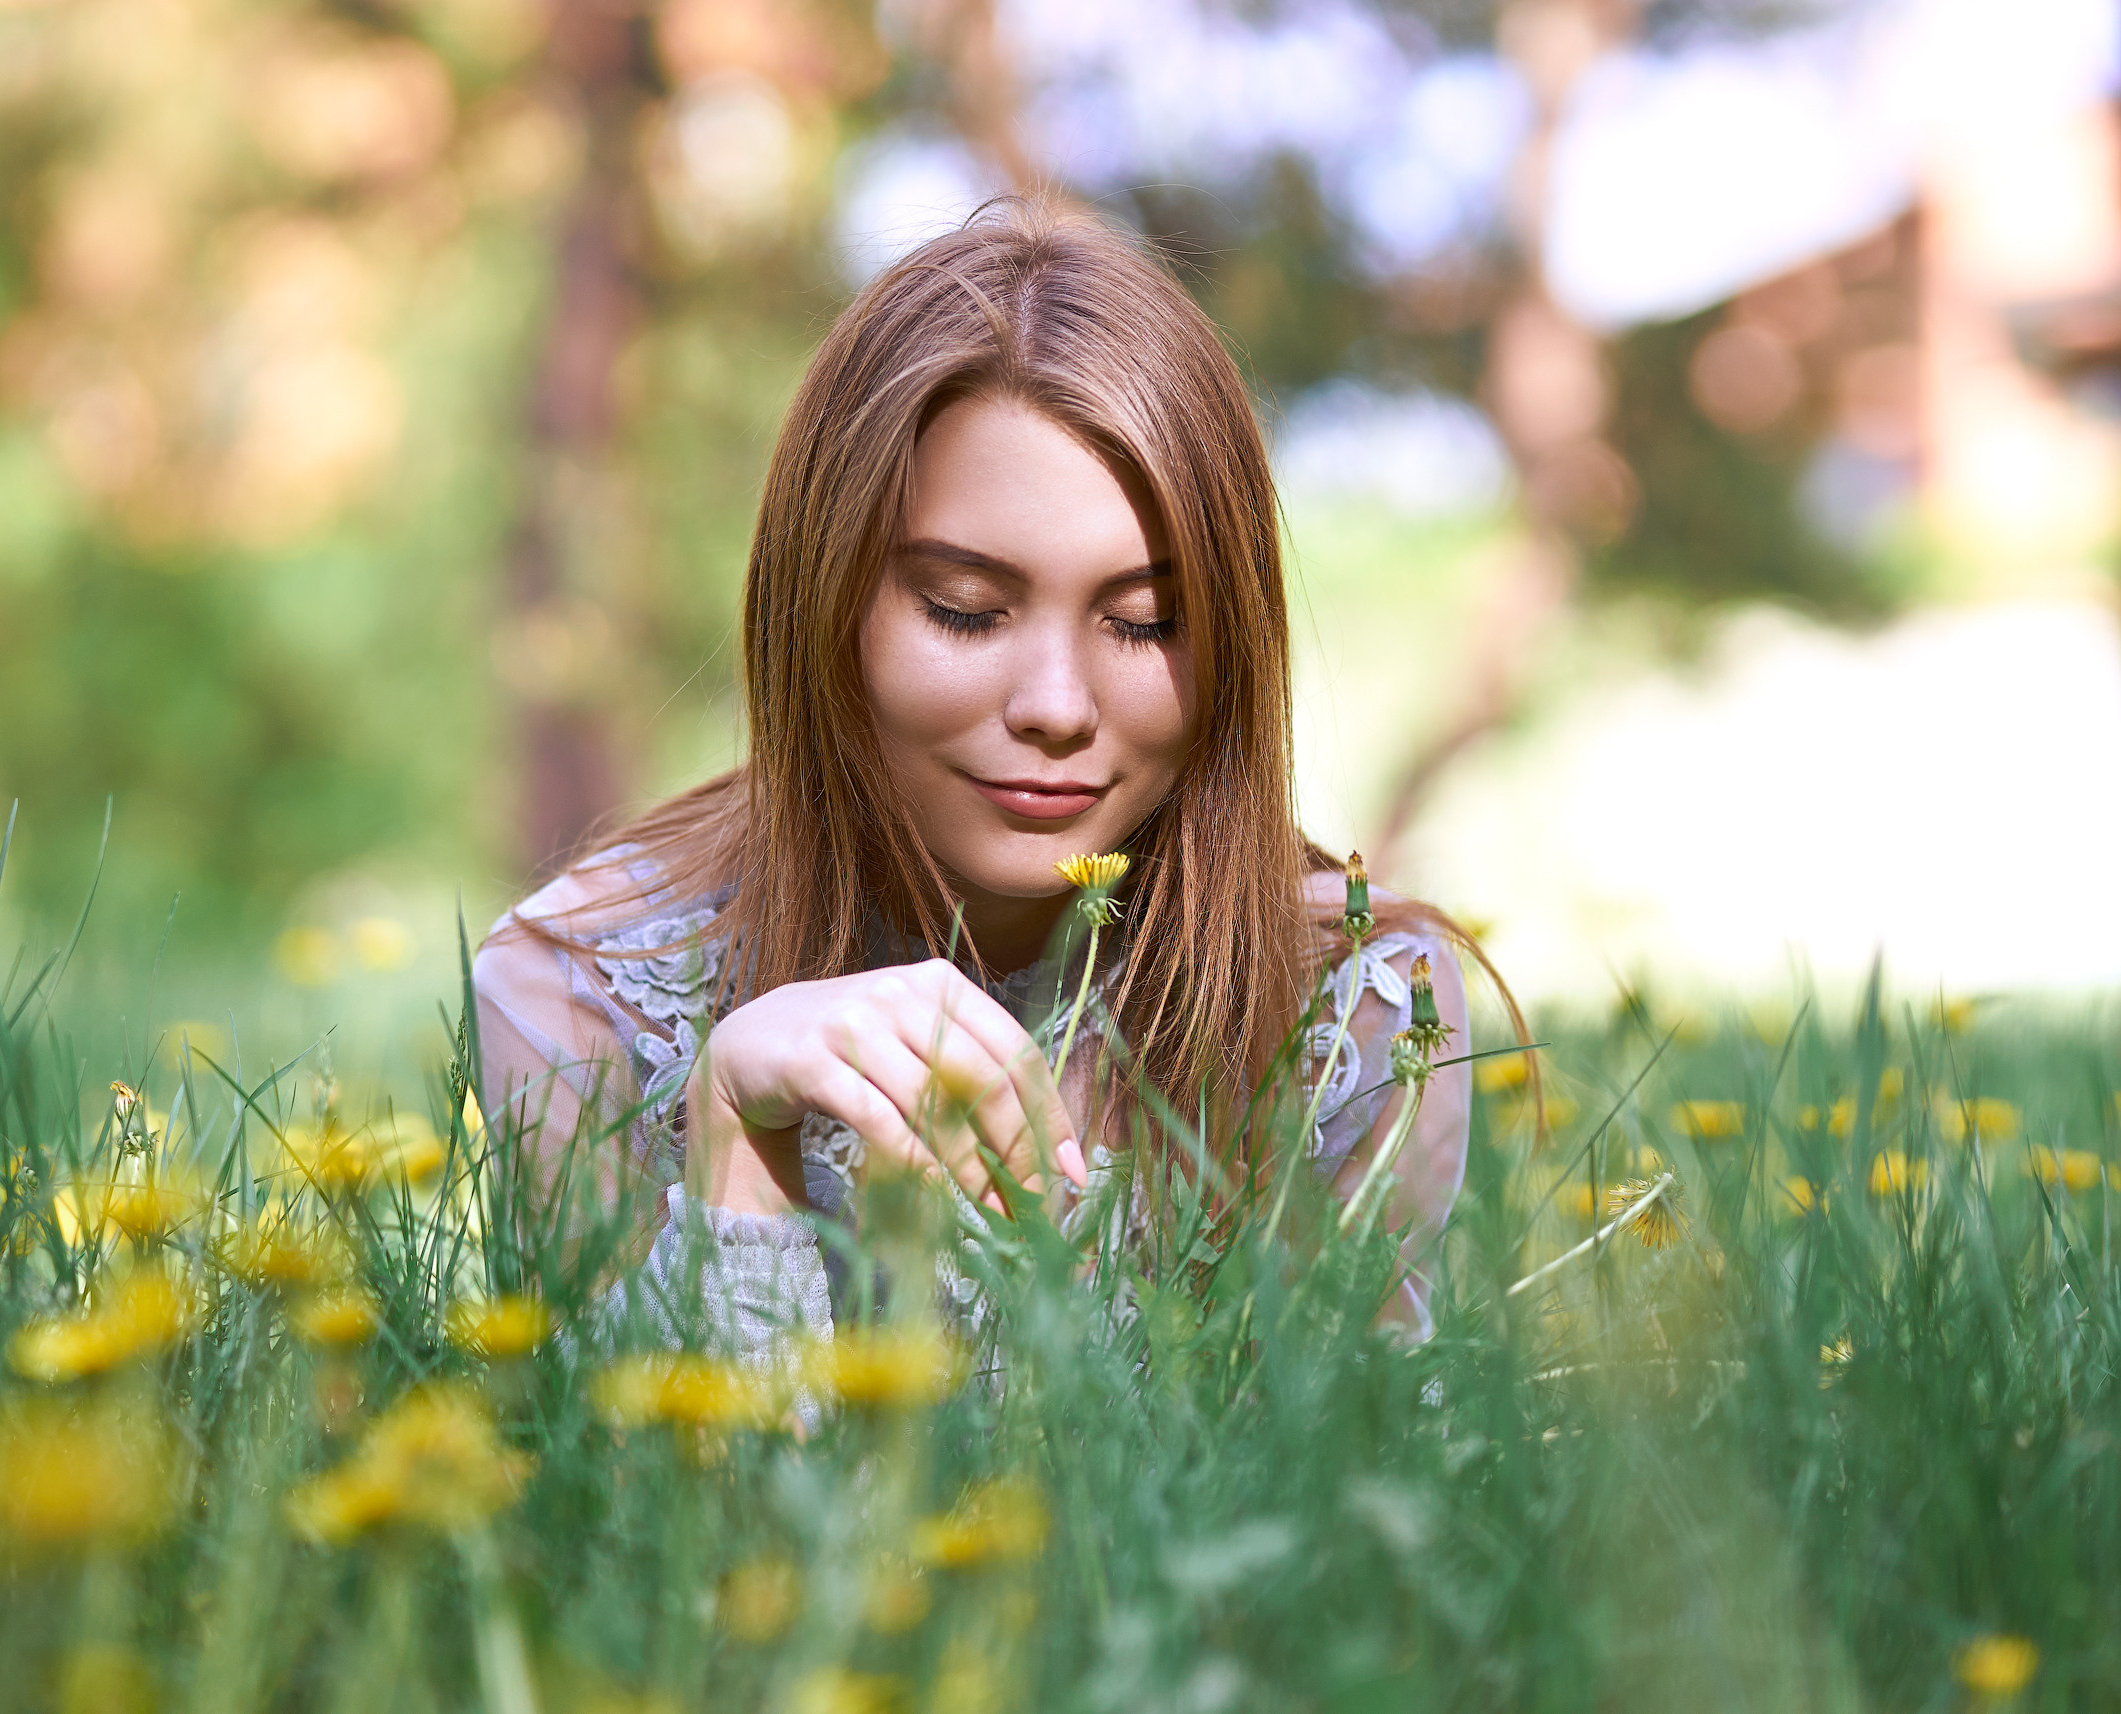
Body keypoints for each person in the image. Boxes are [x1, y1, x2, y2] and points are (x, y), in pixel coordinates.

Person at [473, 200, 1501, 1354]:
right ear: (824, 600)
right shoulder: (582, 990)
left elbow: (1364, 1504)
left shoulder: (1356, 1011)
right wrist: (736, 1143)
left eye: (1147, 622)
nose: (1057, 707)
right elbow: (647, 1517)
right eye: (967, 611)